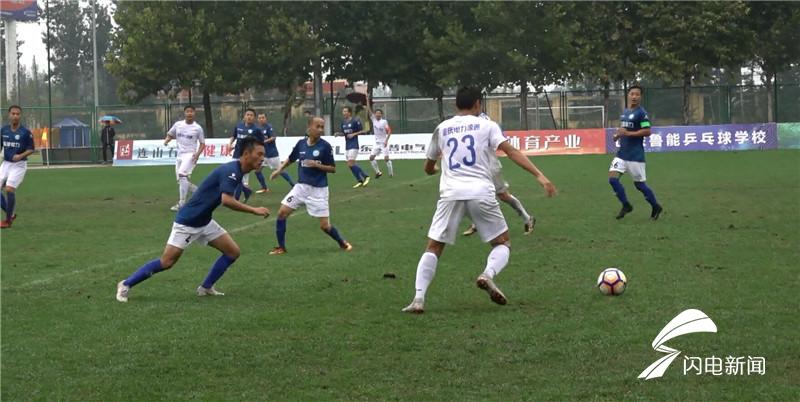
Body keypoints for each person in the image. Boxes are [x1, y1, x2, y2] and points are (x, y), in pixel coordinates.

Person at [401, 87, 557, 314]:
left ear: (456, 105)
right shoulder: (487, 125)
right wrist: (540, 176)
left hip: (451, 194)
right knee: (502, 243)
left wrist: (438, 169)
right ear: (477, 104)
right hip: (481, 192)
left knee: (433, 247)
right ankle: (487, 274)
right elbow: (511, 151)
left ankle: (418, 299)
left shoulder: (442, 128)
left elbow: (428, 168)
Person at [116, 136, 269, 302]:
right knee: (166, 262)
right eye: (259, 154)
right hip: (188, 222)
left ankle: (206, 287)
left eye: (263, 155)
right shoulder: (231, 172)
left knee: (232, 252)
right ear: (246, 153)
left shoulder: (238, 171)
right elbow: (227, 200)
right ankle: (125, 284)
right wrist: (254, 210)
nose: (262, 158)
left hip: (204, 221)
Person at [268, 116, 352, 255]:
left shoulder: (324, 146)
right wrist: (278, 170)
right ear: (309, 128)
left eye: (322, 127)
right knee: (282, 213)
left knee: (325, 226)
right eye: (317, 126)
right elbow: (290, 159)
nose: (320, 130)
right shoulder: (301, 143)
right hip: (301, 188)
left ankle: (342, 242)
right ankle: (281, 247)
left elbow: (333, 168)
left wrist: (317, 165)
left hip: (318, 190)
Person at [463, 113, 536, 236]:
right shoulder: (466, 122)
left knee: (503, 195)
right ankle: (476, 223)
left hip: (490, 167)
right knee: (464, 196)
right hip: (475, 167)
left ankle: (528, 219)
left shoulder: (484, 120)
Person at [608, 85, 663, 220]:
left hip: (635, 156)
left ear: (640, 97)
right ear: (628, 95)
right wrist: (618, 135)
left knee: (639, 185)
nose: (634, 96)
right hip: (622, 154)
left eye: (637, 94)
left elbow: (647, 131)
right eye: (632, 94)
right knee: (612, 179)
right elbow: (624, 128)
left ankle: (656, 206)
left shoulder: (641, 113)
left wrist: (628, 133)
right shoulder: (625, 112)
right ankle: (626, 205)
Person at [164, 105, 205, 211]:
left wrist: (197, 154)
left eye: (191, 111)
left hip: (190, 155)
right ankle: (201, 193)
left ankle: (182, 204)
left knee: (182, 175)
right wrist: (167, 140)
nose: (189, 113)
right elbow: (170, 134)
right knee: (181, 181)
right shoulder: (178, 125)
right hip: (179, 155)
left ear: (194, 113)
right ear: (184, 113)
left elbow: (202, 144)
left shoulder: (197, 128)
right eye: (187, 111)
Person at [0, 105, 35, 229]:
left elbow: (31, 149)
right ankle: (11, 214)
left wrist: (20, 156)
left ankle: (8, 220)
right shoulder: (3, 130)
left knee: (9, 189)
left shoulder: (26, 132)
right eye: (13, 113)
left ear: (20, 116)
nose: (15, 116)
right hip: (6, 163)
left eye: (18, 114)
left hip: (19, 165)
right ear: (9, 115)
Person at [227, 108, 264, 202]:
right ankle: (246, 191)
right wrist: (230, 144)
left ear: (254, 118)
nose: (249, 117)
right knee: (235, 175)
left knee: (238, 176)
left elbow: (261, 143)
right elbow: (234, 136)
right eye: (247, 115)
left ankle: (236, 198)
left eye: (251, 115)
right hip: (236, 154)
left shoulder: (257, 130)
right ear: (244, 116)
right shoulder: (239, 126)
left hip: (247, 157)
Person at [255, 113, 294, 194]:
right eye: (259, 118)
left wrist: (263, 141)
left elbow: (273, 137)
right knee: (257, 170)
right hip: (263, 155)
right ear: (257, 119)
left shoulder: (268, 127)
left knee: (280, 170)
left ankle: (293, 185)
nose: (261, 119)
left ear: (265, 118)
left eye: (263, 117)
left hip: (272, 154)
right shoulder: (257, 128)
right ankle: (264, 188)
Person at [338, 106, 370, 188]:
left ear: (349, 113)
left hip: (354, 145)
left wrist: (354, 134)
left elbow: (363, 131)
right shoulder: (343, 122)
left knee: (350, 163)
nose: (344, 113)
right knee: (350, 165)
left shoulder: (355, 121)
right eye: (343, 111)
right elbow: (345, 134)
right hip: (347, 146)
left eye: (345, 111)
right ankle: (360, 180)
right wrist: (338, 134)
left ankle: (366, 176)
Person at [365, 94, 394, 178]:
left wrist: (386, 141)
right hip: (377, 143)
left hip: (383, 142)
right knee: (371, 158)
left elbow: (389, 131)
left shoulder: (384, 121)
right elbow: (369, 110)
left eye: (379, 113)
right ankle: (378, 172)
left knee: (386, 159)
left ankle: (391, 173)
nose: (378, 115)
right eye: (376, 113)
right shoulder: (373, 119)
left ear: (381, 115)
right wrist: (367, 100)